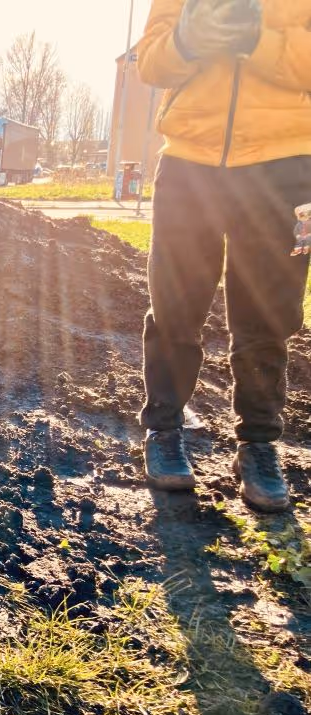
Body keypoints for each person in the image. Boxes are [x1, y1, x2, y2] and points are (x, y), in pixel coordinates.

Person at [137, 0, 311, 512]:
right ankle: (164, 430)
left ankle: (258, 443)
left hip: (284, 164)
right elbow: (150, 62)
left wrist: (258, 40)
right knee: (175, 301)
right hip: (189, 160)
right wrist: (187, 41)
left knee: (269, 312)